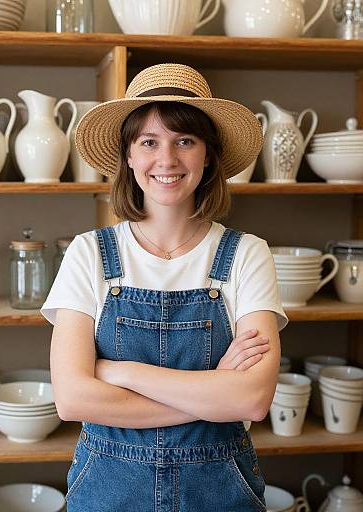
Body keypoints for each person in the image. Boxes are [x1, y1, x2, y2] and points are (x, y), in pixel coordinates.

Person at [41, 63, 288, 511]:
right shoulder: (89, 253)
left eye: (185, 141)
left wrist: (120, 372)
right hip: (108, 489)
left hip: (219, 491)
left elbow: (252, 399)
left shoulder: (248, 254)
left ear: (208, 155)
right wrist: (214, 391)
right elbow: (72, 398)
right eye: (149, 142)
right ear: (129, 156)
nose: (167, 160)